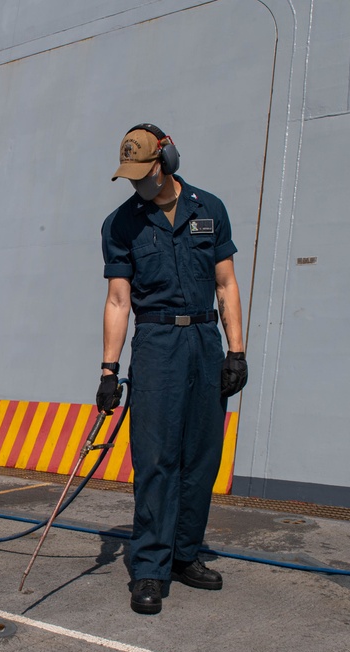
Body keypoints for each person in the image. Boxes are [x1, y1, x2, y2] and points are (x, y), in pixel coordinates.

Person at [97, 123, 247, 615]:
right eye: (131, 176)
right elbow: (119, 300)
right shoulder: (121, 225)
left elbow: (226, 285)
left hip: (205, 340)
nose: (139, 183)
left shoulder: (210, 209)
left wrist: (236, 351)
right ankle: (149, 567)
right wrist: (108, 370)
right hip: (158, 343)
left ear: (168, 162)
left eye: (145, 173)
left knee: (201, 456)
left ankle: (185, 555)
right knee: (156, 457)